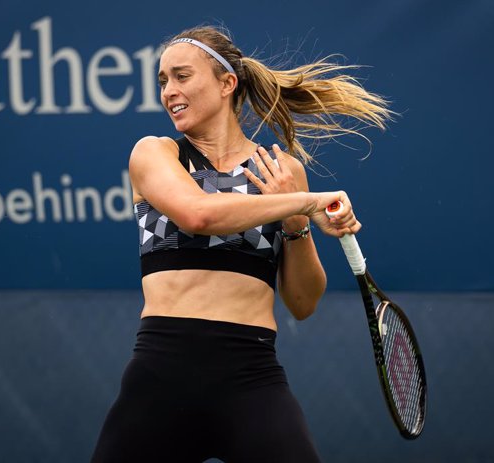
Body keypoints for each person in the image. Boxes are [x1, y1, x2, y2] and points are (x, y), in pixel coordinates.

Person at [91, 25, 391, 463]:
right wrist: (308, 202)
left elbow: (304, 303)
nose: (169, 91)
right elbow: (200, 215)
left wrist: (294, 218)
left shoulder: (282, 173)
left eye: (181, 76)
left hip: (251, 376)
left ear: (226, 83)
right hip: (161, 373)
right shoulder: (155, 154)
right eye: (163, 81)